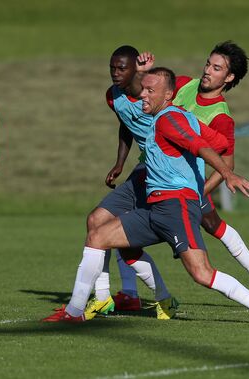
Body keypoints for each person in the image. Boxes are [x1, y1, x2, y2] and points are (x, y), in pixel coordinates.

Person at [42, 67, 249, 326]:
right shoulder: (179, 117)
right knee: (97, 235)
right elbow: (218, 142)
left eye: (150, 91)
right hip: (155, 208)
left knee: (202, 274)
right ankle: (74, 312)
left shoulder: (168, 120)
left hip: (176, 208)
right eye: (143, 89)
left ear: (169, 94)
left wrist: (226, 172)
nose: (143, 96)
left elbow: (202, 146)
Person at [88, 41, 249, 319]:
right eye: (208, 63)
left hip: (185, 181)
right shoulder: (185, 85)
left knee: (214, 226)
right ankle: (127, 294)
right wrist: (143, 74)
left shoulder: (221, 117)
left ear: (229, 77)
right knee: (108, 224)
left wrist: (198, 192)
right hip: (154, 172)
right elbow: (144, 102)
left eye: (216, 68)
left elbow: (228, 164)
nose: (207, 71)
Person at [83, 46, 178, 321]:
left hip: (164, 174)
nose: (115, 73)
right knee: (96, 223)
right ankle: (103, 298)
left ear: (135, 69)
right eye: (112, 67)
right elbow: (126, 125)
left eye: (122, 68)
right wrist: (119, 162)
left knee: (126, 243)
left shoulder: (151, 95)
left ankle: (162, 298)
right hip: (141, 170)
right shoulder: (113, 97)